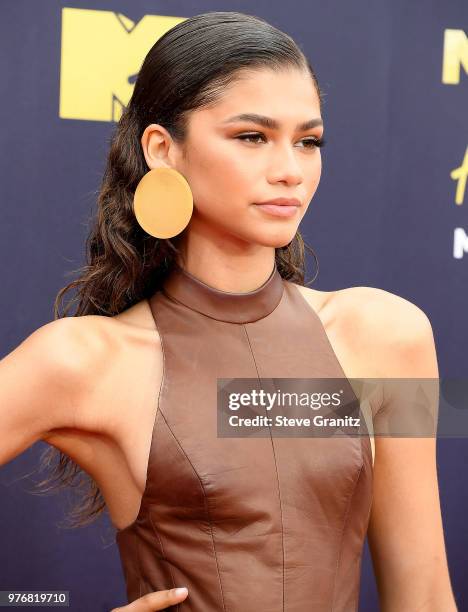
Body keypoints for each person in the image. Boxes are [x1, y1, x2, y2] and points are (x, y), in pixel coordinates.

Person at [0, 10, 458, 612]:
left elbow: (423, 595)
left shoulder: (385, 336)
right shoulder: (85, 360)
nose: (290, 171)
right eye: (252, 137)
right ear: (164, 149)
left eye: (308, 141)